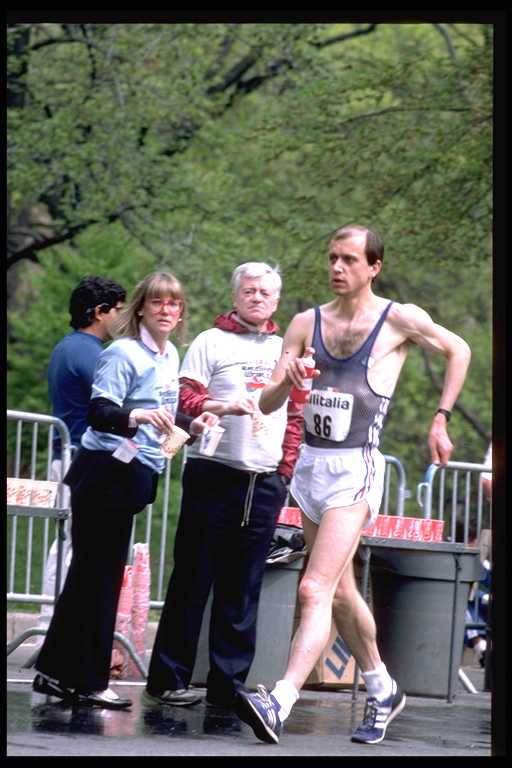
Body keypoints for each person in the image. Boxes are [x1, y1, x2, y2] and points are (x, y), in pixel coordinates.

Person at [234, 224, 471, 746]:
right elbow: (268, 404)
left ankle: (281, 699)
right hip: (311, 469)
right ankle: (382, 685)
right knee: (338, 591)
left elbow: (460, 350)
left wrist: (440, 419)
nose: (337, 268)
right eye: (332, 258)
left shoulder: (398, 320)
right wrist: (286, 381)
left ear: (373, 267)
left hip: (355, 470)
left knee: (313, 588)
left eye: (348, 260)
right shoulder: (304, 322)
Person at [32, 271, 218, 709]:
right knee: (96, 578)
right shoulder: (122, 353)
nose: (167, 311)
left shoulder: (171, 354)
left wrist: (195, 423)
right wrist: (136, 418)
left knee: (90, 577)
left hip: (135, 473)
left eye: (174, 304)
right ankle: (90, 680)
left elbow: (164, 416)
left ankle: (56, 673)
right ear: (140, 309)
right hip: (104, 473)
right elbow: (100, 411)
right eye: (158, 304)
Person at [144, 262, 303, 710]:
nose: (256, 298)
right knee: (193, 579)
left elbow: (294, 416)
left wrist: (285, 472)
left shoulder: (285, 349)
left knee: (243, 587)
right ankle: (168, 677)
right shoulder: (210, 342)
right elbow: (184, 398)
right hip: (214, 472)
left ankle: (227, 684)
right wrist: (221, 406)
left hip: (264, 481)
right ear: (235, 296)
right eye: (248, 291)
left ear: (276, 302)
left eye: (265, 293)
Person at [39, 276, 127, 636]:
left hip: (70, 456)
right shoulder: (90, 353)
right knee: (76, 545)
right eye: (118, 310)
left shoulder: (68, 347)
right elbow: (117, 402)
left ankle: (53, 626)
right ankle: (54, 628)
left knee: (68, 542)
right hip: (80, 458)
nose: (123, 318)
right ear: (99, 312)